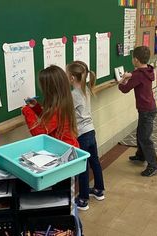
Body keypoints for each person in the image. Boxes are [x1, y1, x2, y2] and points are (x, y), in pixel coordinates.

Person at [66, 61, 105, 211]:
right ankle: (99, 190)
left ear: (71, 78)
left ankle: (83, 199)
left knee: (82, 166)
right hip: (91, 130)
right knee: (94, 161)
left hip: (81, 134)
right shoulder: (86, 89)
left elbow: (66, 112)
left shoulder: (73, 95)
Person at [118, 46, 157, 177]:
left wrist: (122, 80)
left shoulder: (137, 75)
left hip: (146, 110)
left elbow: (124, 89)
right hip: (149, 107)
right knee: (140, 133)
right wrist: (131, 74)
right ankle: (140, 156)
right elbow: (138, 75)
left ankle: (153, 165)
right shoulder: (148, 70)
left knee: (145, 138)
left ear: (135, 60)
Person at [22, 65, 79, 148]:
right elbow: (50, 120)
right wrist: (35, 108)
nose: (41, 89)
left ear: (49, 89)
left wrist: (27, 111)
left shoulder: (58, 109)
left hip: (65, 152)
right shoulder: (62, 103)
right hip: (67, 148)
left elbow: (38, 133)